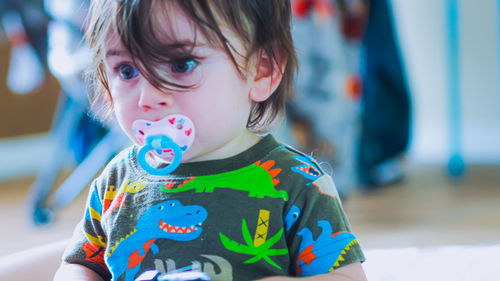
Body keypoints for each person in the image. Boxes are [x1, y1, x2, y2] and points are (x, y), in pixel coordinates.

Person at [54, 0, 367, 280]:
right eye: (126, 70)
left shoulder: (297, 182)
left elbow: (349, 277)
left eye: (181, 65)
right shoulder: (115, 182)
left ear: (261, 71)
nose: (148, 97)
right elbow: (78, 266)